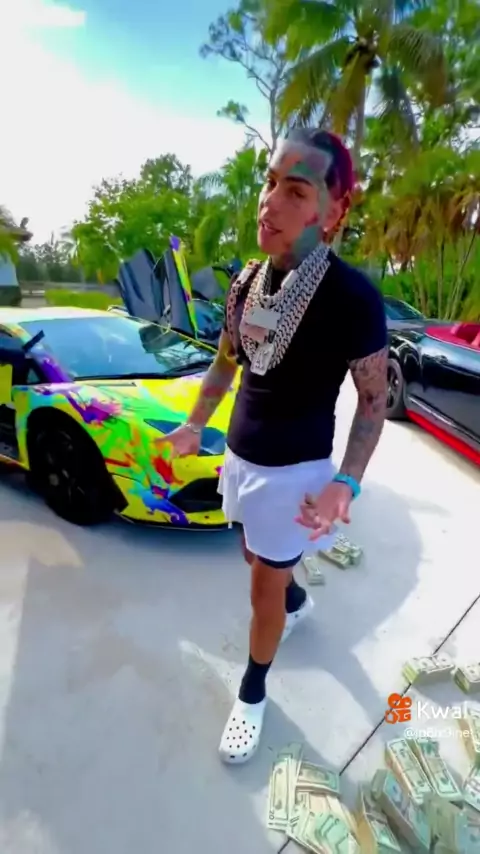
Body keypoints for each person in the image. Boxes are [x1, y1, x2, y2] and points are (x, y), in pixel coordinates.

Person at [157, 127, 388, 764]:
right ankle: (295, 598)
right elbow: (226, 363)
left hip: (293, 475)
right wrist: (195, 424)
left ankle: (253, 692)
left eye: (296, 191)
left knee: (260, 590)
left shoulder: (352, 299)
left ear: (333, 211)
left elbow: (373, 401)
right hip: (240, 458)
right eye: (269, 182)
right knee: (252, 553)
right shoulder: (246, 284)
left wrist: (346, 481)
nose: (270, 202)